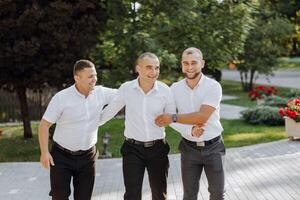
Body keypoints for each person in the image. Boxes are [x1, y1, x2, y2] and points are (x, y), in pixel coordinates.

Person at [99, 52, 175, 200]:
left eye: (157, 68)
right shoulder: (127, 89)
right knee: (132, 195)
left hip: (158, 149)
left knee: (160, 194)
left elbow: (172, 119)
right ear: (138, 69)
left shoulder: (166, 91)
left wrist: (191, 129)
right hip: (132, 150)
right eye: (149, 67)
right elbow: (109, 112)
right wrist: (87, 124)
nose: (154, 72)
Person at [38, 59, 117, 200]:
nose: (94, 79)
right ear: (77, 78)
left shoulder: (102, 93)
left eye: (95, 75)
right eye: (90, 77)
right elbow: (44, 125)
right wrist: (44, 153)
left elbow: (124, 94)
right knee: (59, 196)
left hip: (88, 157)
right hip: (61, 157)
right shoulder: (62, 98)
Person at [155, 47, 225, 200]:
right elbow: (169, 120)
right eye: (186, 63)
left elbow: (201, 117)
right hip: (189, 149)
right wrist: (190, 130)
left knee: (217, 194)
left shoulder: (213, 87)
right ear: (182, 65)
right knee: (189, 195)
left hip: (213, 147)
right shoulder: (174, 89)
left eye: (194, 62)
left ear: (202, 63)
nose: (190, 67)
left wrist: (173, 118)